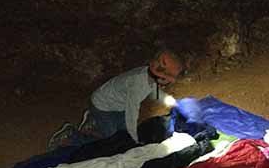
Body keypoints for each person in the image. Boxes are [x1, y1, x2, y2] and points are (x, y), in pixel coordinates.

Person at [47, 49, 184, 151]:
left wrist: (166, 99)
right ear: (161, 76)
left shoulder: (148, 74)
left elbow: (153, 90)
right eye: (168, 78)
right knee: (110, 140)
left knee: (122, 133)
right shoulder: (137, 84)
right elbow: (132, 113)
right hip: (103, 106)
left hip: (117, 105)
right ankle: (71, 135)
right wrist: (134, 139)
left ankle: (93, 122)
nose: (169, 82)